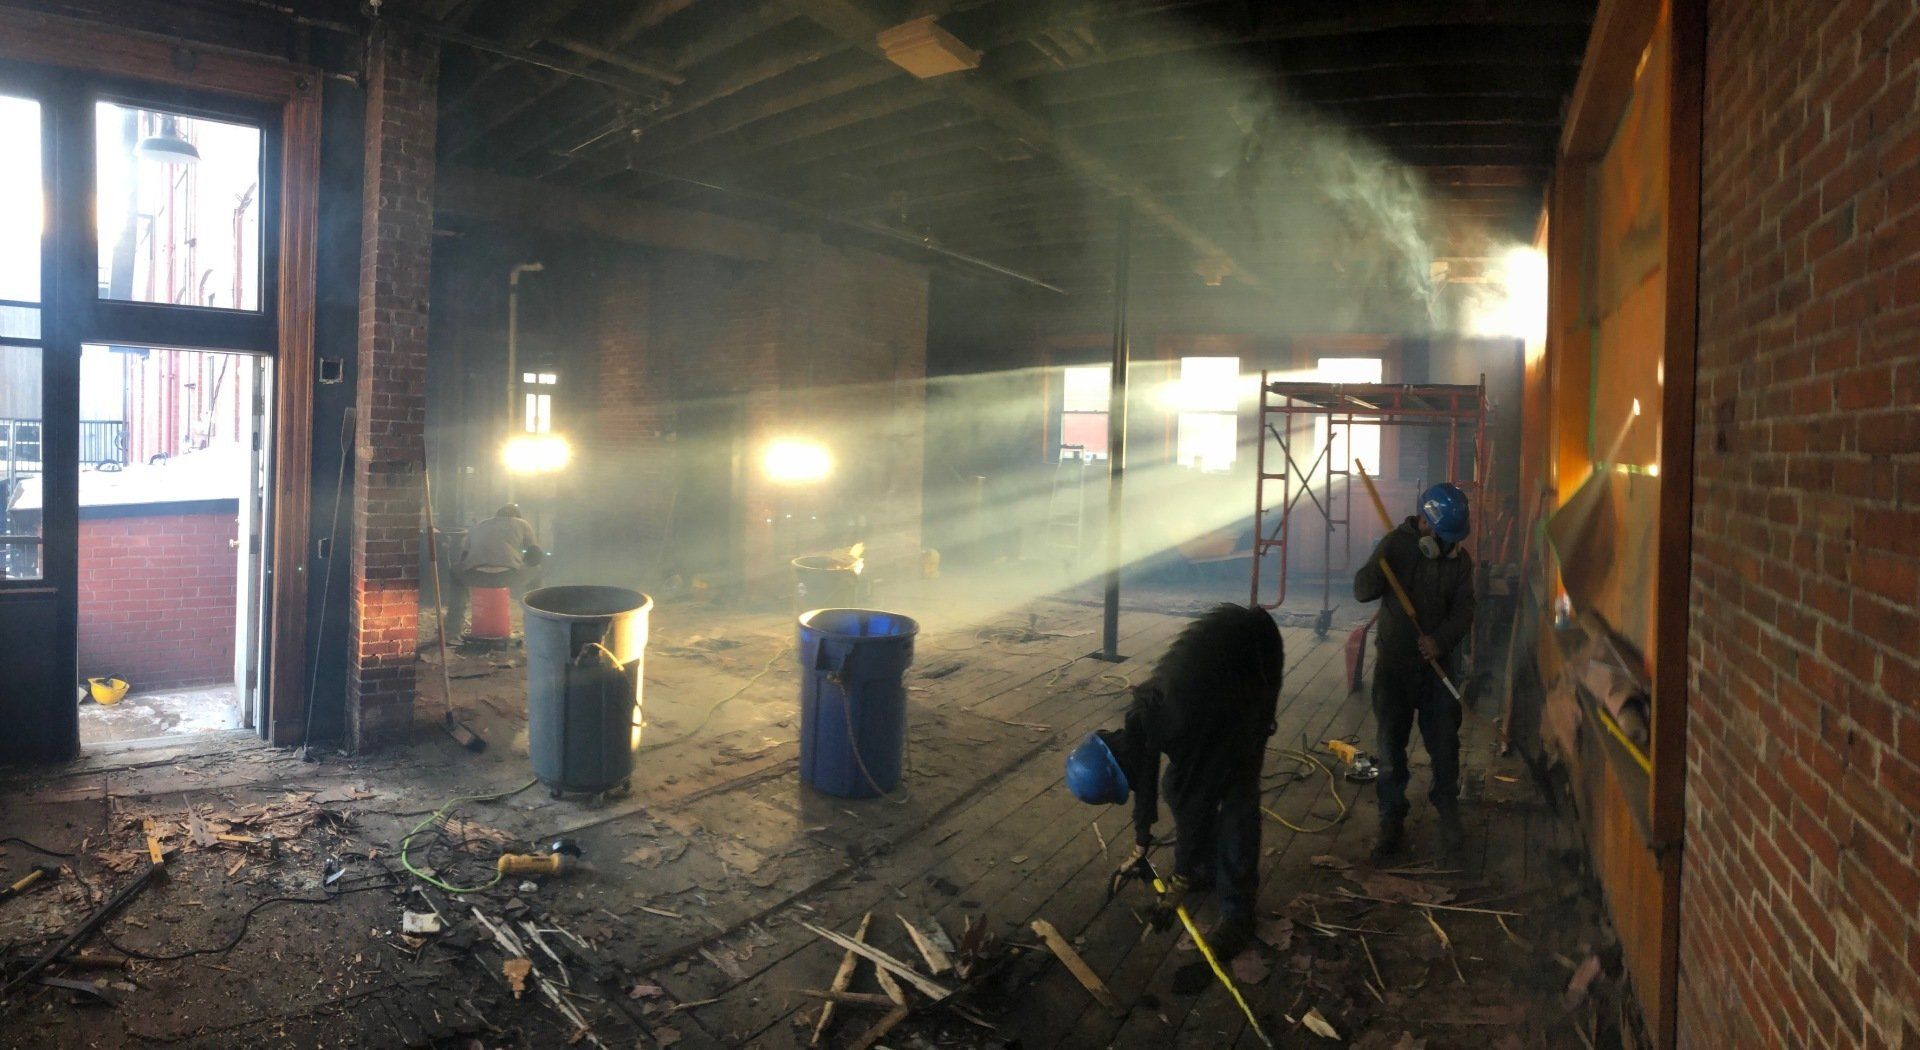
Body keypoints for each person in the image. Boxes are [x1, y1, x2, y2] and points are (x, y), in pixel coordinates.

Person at [1065, 603, 1284, 960]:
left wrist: (1179, 879)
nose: (1134, 786)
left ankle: (1237, 913)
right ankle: (1208, 867)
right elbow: (1149, 782)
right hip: (1220, 670)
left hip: (1253, 664)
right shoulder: (1138, 721)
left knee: (1236, 799)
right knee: (1176, 788)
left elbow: (1196, 804)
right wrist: (1141, 842)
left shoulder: (1178, 723)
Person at [1354, 482, 1475, 862]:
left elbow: (1464, 612)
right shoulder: (1395, 547)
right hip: (1395, 667)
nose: (1451, 546)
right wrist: (1384, 565)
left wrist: (1440, 640)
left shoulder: (1460, 562)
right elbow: (1361, 590)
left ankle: (1448, 812)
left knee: (1444, 744)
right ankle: (1391, 819)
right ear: (1425, 524)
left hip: (1436, 667)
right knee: (1391, 747)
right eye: (1445, 537)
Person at [445, 504, 545, 635]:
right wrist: (521, 562)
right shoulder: (522, 524)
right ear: (517, 516)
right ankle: (535, 624)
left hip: (475, 576)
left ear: (497, 516)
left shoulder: (478, 526)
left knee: (455, 574)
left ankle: (452, 626)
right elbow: (535, 556)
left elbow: (463, 558)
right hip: (507, 576)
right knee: (536, 571)